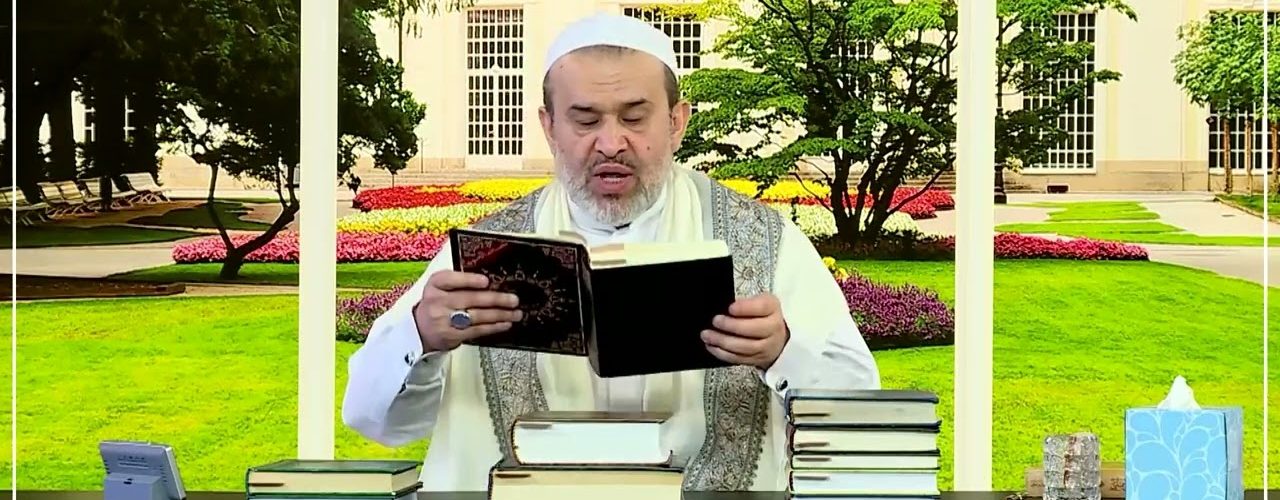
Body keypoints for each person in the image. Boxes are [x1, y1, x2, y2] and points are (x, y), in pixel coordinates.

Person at [341, 12, 880, 492]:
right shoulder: (487, 251)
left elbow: (862, 412)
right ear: (549, 126)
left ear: (677, 122)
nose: (611, 143)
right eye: (586, 119)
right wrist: (421, 334)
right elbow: (373, 419)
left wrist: (783, 351)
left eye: (634, 117)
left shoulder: (762, 240)